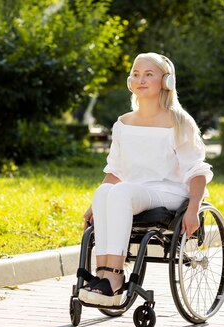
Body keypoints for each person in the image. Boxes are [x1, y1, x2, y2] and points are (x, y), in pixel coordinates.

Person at [78, 52, 213, 306]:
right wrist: (97, 204)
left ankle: (115, 278)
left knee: (120, 193)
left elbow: (196, 170)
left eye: (149, 74)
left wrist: (194, 207)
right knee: (104, 192)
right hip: (133, 192)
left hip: (169, 192)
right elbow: (115, 171)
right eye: (136, 74)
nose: (141, 79)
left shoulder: (180, 122)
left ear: (166, 81)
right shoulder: (123, 123)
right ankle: (102, 275)